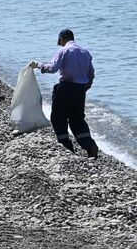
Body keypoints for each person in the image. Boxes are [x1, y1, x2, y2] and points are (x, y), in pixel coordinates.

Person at [30, 29, 98, 157]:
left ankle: (67, 147)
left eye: (60, 41)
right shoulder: (85, 52)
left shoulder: (63, 50)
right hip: (80, 90)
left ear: (62, 39)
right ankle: (89, 145)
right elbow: (91, 74)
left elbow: (53, 68)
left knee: (58, 117)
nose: (60, 44)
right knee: (77, 119)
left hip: (65, 88)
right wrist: (84, 88)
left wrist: (38, 65)